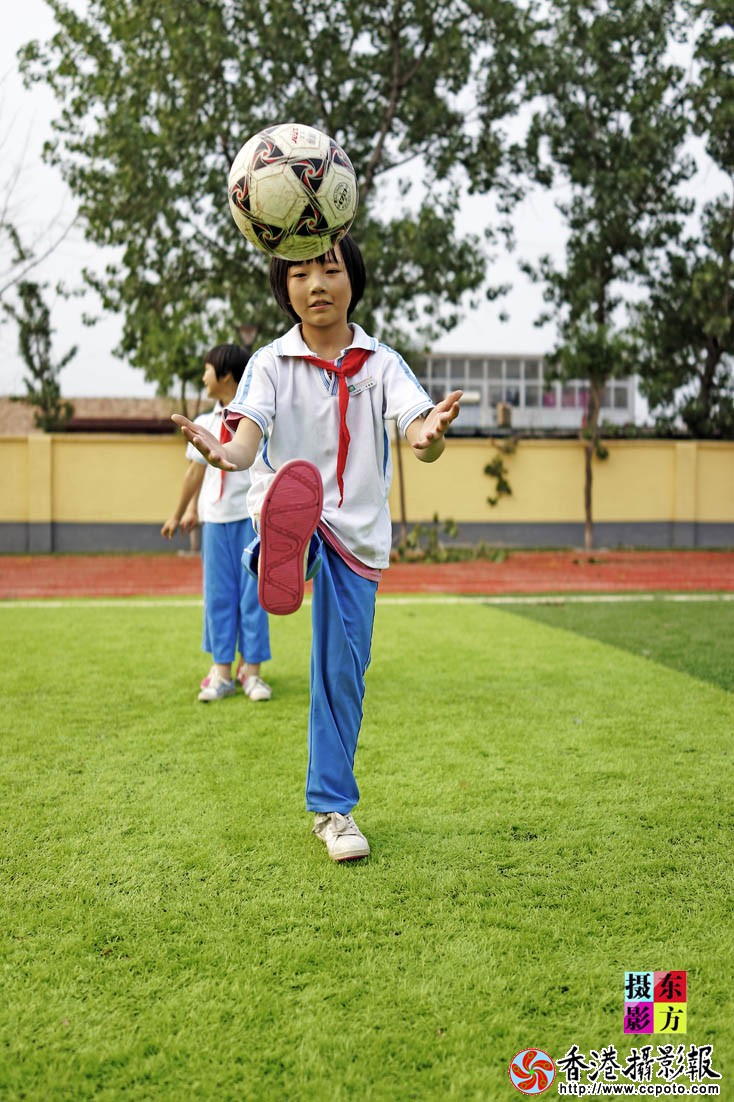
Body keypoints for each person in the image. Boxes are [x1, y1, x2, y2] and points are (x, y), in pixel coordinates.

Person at [173, 237, 461, 859]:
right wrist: (222, 453)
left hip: (359, 535)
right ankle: (280, 551)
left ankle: (333, 813)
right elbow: (246, 443)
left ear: (352, 280)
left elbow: (418, 431)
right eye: (300, 274)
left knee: (342, 674)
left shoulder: (382, 363)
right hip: (291, 507)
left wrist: (433, 435)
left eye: (329, 269)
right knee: (284, 506)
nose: (316, 284)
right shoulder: (269, 364)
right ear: (285, 289)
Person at [165, 344, 272, 704]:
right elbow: (196, 473)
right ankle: (222, 672)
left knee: (253, 597)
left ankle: (252, 673)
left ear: (225, 375)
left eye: (206, 370)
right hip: (215, 523)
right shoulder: (207, 424)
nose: (203, 377)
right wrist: (183, 512)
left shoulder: (254, 421)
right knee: (219, 597)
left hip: (251, 522)